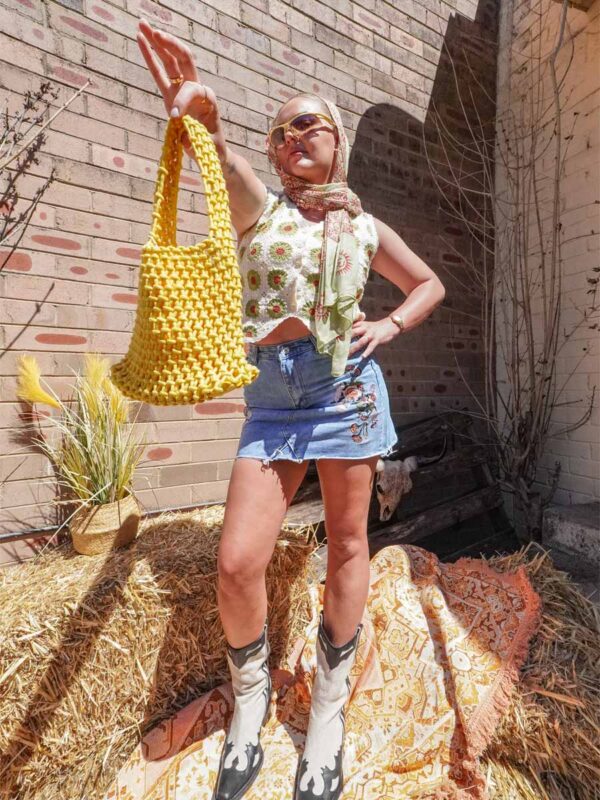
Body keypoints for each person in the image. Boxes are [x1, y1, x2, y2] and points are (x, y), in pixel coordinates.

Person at [137, 18, 446, 800]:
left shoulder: (364, 227)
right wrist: (202, 118)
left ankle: (330, 716)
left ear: (338, 140)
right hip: (273, 399)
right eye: (281, 131)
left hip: (343, 391)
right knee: (237, 561)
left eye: (310, 123)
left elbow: (430, 284)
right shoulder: (263, 214)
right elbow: (229, 165)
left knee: (348, 547)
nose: (293, 135)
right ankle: (251, 705)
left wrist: (391, 323)